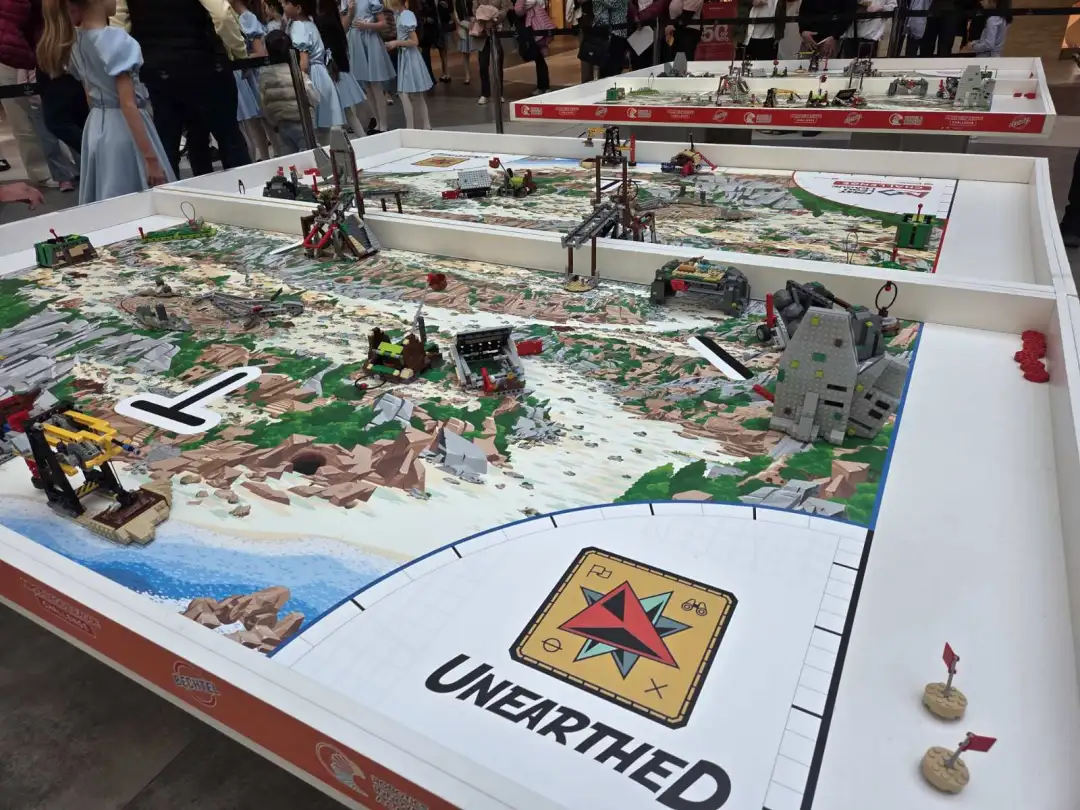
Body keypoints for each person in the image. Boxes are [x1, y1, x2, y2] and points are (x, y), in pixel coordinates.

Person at [37, 0, 174, 204]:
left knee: (106, 192)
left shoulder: (75, 41)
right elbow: (128, 104)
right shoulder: (117, 40)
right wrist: (151, 159)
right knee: (137, 195)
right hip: (125, 127)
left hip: (96, 125)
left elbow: (89, 94)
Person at [111, 0, 252, 178]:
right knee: (229, 140)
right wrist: (239, 53)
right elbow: (222, 15)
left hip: (159, 70)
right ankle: (245, 188)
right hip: (205, 64)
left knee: (168, 145)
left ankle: (174, 193)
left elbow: (118, 28)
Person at [0, 0, 51, 185]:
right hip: (7, 49)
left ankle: (65, 167)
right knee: (20, 116)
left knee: (55, 112)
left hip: (43, 40)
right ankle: (41, 172)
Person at [283, 0, 345, 141]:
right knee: (326, 127)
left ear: (298, 8)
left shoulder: (298, 26)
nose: (283, 6)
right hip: (322, 74)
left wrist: (298, 81)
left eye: (286, 3)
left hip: (312, 76)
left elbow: (304, 63)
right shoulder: (310, 23)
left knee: (316, 130)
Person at [259, 28, 319, 151]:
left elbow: (264, 103)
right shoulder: (295, 70)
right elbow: (312, 95)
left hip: (281, 124)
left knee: (289, 156)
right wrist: (312, 109)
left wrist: (273, 122)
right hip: (303, 122)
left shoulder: (264, 74)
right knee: (309, 154)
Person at [315, 0, 367, 135]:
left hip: (332, 71)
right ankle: (362, 138)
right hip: (340, 69)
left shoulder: (322, 21)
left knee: (339, 115)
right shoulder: (332, 18)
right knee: (348, 113)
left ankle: (355, 141)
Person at [230, 0, 273, 162]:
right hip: (247, 76)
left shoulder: (246, 17)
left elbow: (260, 52)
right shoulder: (237, 17)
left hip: (255, 76)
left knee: (266, 120)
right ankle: (264, 158)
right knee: (254, 124)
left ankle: (276, 156)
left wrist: (240, 58)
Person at [345, 0, 395, 133]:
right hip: (356, 40)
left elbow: (383, 23)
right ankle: (377, 121)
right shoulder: (348, 2)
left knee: (375, 84)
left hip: (370, 39)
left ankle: (383, 124)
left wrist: (367, 25)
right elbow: (344, 26)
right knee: (366, 85)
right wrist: (350, 12)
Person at [385, 0, 432, 127]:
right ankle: (424, 126)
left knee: (405, 93)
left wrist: (396, 43)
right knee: (414, 94)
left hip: (410, 57)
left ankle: (412, 127)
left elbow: (414, 41)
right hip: (406, 56)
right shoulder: (399, 15)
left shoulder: (406, 15)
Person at [472, 0, 510, 104]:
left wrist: (496, 16)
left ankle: (499, 93)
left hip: (497, 29)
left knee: (498, 63)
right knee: (483, 65)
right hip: (482, 31)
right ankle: (485, 93)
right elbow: (475, 9)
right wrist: (484, 16)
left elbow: (505, 8)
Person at [514, 0, 553, 94]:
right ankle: (543, 86)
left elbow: (518, 10)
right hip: (538, 28)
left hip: (534, 29)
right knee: (539, 59)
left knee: (538, 57)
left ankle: (543, 86)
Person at [593, 0, 628, 78]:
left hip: (618, 32)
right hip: (607, 33)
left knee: (615, 66)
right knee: (608, 68)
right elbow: (613, 3)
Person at [417, 0, 451, 83]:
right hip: (428, 30)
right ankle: (430, 76)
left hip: (439, 28)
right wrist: (425, 19)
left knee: (443, 49)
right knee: (426, 53)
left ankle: (445, 72)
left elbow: (448, 15)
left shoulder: (441, 2)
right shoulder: (426, 2)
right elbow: (420, 14)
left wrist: (446, 7)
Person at [627, 0, 665, 70]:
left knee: (654, 66)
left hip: (654, 30)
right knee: (637, 66)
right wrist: (635, 16)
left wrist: (639, 17)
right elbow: (629, 4)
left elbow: (659, 6)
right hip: (636, 32)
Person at [452, 0, 475, 84]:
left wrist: (473, 21)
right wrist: (461, 23)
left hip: (474, 24)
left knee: (478, 49)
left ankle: (482, 71)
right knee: (465, 53)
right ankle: (467, 75)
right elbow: (455, 13)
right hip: (463, 26)